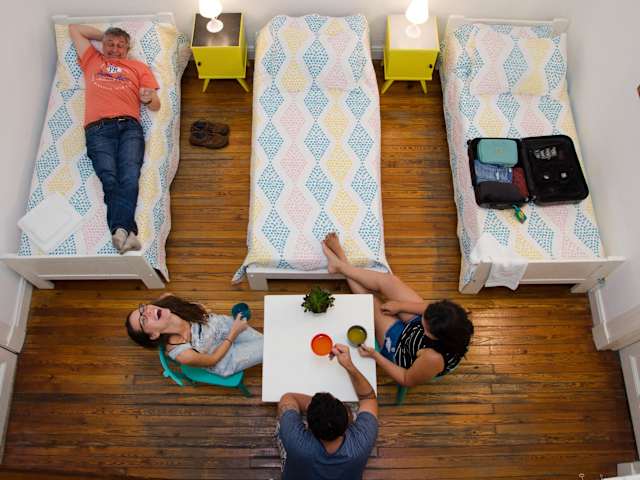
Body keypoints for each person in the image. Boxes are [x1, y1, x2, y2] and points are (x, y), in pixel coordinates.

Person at [321, 232, 473, 387]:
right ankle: (341, 266)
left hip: (402, 347)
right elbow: (428, 309)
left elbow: (406, 379)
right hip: (416, 331)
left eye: (425, 324)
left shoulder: (433, 359)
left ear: (433, 335)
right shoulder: (456, 316)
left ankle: (341, 261)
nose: (423, 317)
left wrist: (375, 356)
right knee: (391, 281)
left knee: (373, 302)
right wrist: (400, 306)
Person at [69, 24, 161, 253]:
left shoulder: (138, 67)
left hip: (129, 127)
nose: (115, 49)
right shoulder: (92, 60)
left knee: (129, 176)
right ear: (102, 45)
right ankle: (127, 232)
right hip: (97, 129)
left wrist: (148, 98)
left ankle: (120, 231)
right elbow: (74, 29)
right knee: (109, 178)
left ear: (128, 49)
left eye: (121, 45)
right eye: (110, 44)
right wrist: (107, 35)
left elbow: (156, 106)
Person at [276, 344, 378, 480]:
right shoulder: (362, 442)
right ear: (347, 422)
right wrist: (349, 366)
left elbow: (287, 398)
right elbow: (368, 398)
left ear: (308, 425)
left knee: (280, 424)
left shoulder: (295, 441)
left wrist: (318, 406)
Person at [125, 294, 263, 377]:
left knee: (265, 341)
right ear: (154, 335)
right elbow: (213, 360)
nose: (147, 311)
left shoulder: (169, 303)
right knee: (269, 347)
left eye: (143, 309)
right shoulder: (183, 354)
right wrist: (234, 333)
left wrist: (197, 307)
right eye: (143, 320)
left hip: (222, 327)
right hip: (225, 357)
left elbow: (165, 296)